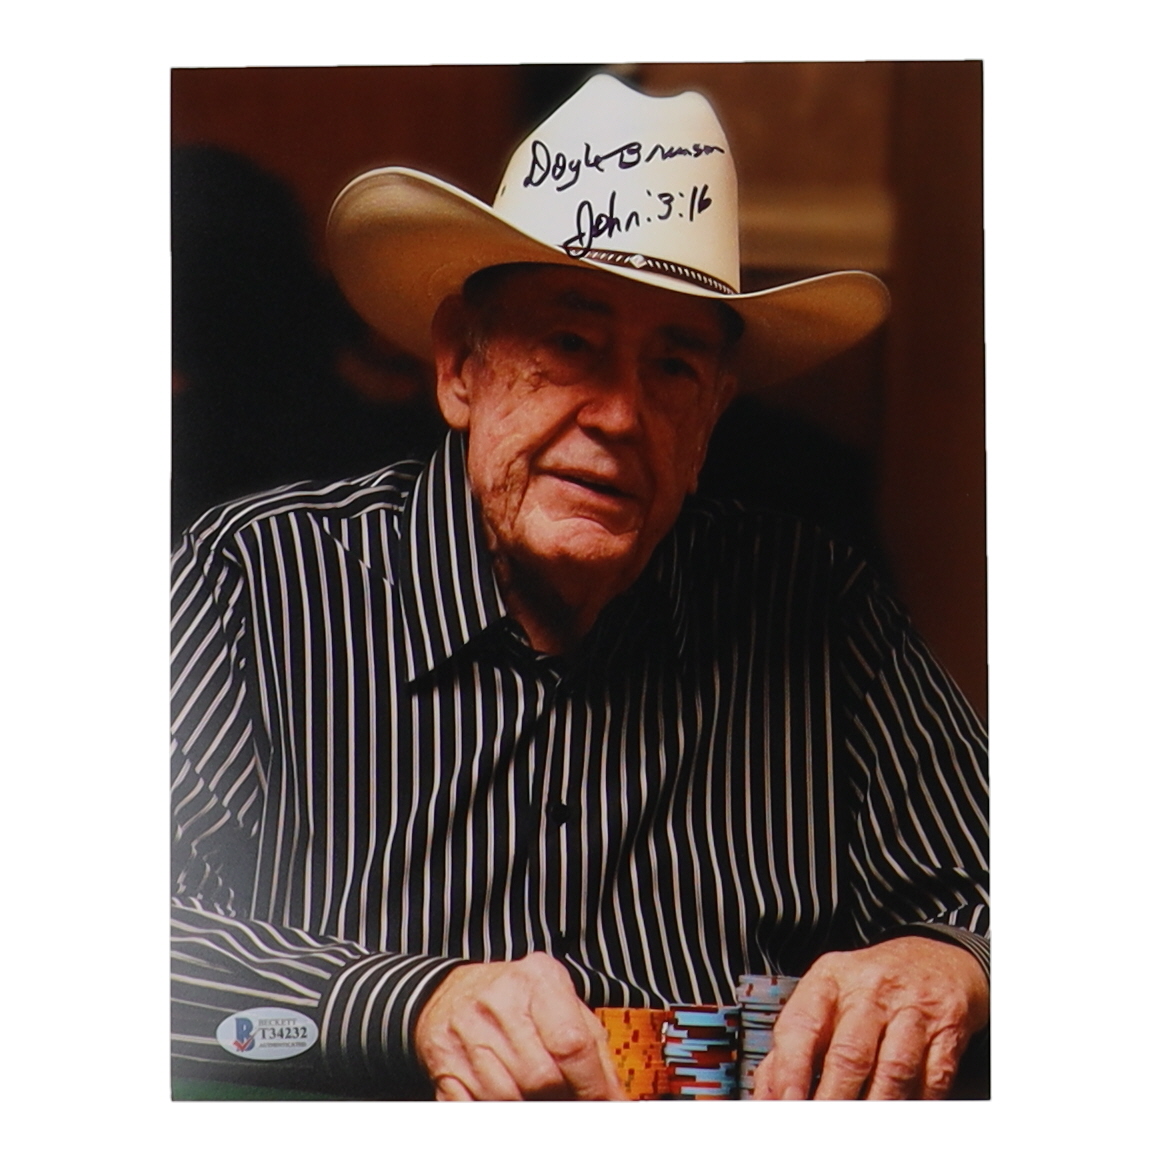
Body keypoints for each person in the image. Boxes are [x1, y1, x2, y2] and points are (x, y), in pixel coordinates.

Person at [171, 73, 988, 1101]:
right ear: (460, 367)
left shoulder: (821, 607)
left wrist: (946, 961)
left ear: (711, 418)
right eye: (570, 343)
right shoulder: (255, 584)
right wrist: (412, 1005)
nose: (619, 415)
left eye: (673, 365)